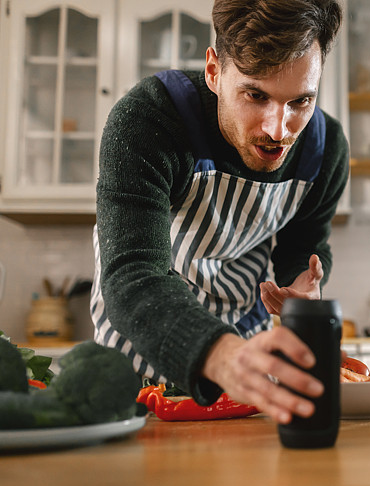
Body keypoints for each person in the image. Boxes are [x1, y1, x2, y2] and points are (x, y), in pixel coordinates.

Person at [90, 0, 348, 424]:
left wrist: (301, 284)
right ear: (214, 71)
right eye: (256, 95)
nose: (278, 129)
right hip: (136, 372)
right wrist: (219, 353)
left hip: (243, 379)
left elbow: (305, 243)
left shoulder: (325, 150)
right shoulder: (149, 121)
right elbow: (133, 273)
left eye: (301, 101)